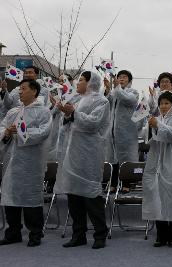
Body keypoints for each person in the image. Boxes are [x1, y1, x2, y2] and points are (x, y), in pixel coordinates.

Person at [54, 71, 110, 249]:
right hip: (73, 154)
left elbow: (93, 123)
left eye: (81, 80)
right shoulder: (76, 99)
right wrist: (66, 112)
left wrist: (73, 112)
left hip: (89, 155)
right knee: (73, 195)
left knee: (91, 195)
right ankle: (78, 234)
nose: (77, 83)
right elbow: (68, 124)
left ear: (91, 82)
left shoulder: (102, 101)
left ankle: (100, 235)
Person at [0, 79, 52, 247]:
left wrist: (22, 132)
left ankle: (35, 233)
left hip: (31, 163)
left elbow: (43, 133)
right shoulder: (13, 112)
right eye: (19, 89)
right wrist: (7, 133)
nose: (20, 92)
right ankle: (13, 232)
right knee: (11, 197)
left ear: (34, 91)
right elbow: (2, 128)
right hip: (12, 161)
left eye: (23, 89)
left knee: (31, 198)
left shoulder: (43, 112)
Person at [142, 91, 172, 247]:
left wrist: (158, 125)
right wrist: (151, 125)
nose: (163, 106)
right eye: (161, 103)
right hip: (156, 163)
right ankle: (161, 235)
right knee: (157, 197)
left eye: (167, 103)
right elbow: (146, 137)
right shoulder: (156, 119)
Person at [104, 70, 140, 193]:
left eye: (124, 77)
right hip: (113, 131)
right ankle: (113, 183)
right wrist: (108, 89)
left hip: (126, 132)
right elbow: (107, 101)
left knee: (126, 158)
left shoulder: (133, 92)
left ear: (129, 80)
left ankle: (127, 183)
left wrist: (116, 88)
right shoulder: (115, 92)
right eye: (119, 77)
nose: (121, 79)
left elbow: (128, 100)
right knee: (113, 158)